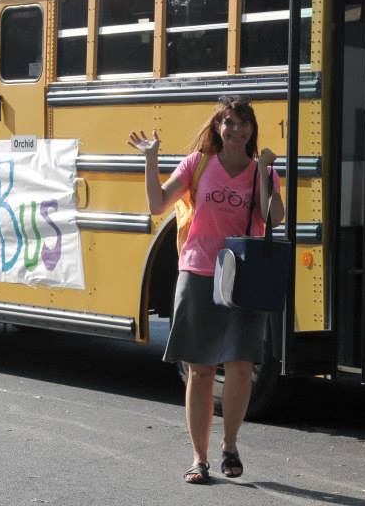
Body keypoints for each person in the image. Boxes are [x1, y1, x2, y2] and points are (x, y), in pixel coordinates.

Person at [128, 95, 284, 484]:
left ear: (251, 130)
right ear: (218, 126)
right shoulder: (198, 164)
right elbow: (156, 204)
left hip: (244, 276)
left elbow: (273, 218)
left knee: (242, 367)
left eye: (243, 123)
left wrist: (265, 173)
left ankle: (229, 445)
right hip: (198, 270)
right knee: (200, 370)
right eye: (228, 122)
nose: (236, 130)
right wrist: (150, 159)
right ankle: (199, 458)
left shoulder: (260, 170)